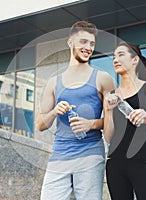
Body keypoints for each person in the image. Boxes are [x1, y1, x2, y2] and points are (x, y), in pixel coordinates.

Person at [36, 21, 114, 200]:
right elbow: (40, 125)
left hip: (90, 153)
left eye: (92, 44)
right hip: (60, 153)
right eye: (83, 42)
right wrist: (55, 111)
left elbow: (112, 124)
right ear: (70, 42)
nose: (88, 47)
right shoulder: (53, 82)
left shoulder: (103, 79)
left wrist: (92, 124)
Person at [103, 42, 146, 200]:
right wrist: (108, 110)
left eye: (121, 55)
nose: (115, 59)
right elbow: (108, 137)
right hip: (115, 163)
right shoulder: (111, 95)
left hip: (143, 160)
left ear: (135, 60)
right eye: (114, 57)